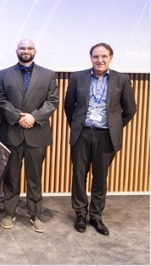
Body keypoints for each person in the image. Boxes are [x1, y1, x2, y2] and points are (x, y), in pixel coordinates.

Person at [64, 43, 136, 236]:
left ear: (111, 58)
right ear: (90, 58)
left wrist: (115, 126)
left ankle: (96, 215)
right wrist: (78, 125)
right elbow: (69, 106)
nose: (100, 60)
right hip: (82, 133)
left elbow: (130, 109)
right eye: (96, 56)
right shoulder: (78, 77)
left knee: (100, 177)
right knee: (79, 176)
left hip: (106, 135)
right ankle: (80, 214)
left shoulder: (121, 79)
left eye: (104, 56)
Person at [0, 38, 59, 233]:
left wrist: (33, 117)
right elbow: (0, 99)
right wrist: (17, 117)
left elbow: (53, 101)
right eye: (22, 48)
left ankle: (35, 214)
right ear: (16, 50)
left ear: (35, 51)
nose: (26, 50)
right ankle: (9, 212)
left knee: (35, 177)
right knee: (11, 177)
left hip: (37, 133)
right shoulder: (4, 74)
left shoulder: (48, 75)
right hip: (11, 133)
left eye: (29, 48)